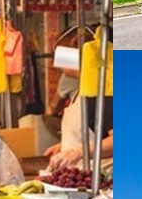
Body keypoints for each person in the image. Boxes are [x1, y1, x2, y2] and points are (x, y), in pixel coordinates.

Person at [44, 32, 113, 171]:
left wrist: (79, 151)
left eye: (60, 56)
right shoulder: (79, 92)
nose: (56, 64)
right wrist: (65, 147)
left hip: (99, 178)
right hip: (77, 177)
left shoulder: (101, 94)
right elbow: (92, 135)